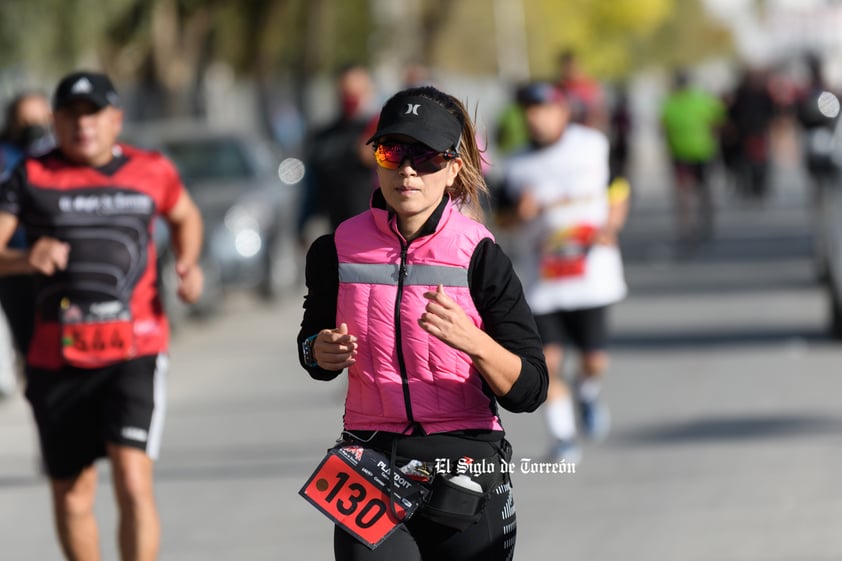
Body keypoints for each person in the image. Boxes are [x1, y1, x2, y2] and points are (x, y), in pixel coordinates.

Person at [297, 85, 548, 560]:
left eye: (427, 156)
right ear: (377, 160)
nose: (408, 169)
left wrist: (475, 342)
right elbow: (312, 350)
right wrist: (318, 350)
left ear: (453, 167)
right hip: (369, 459)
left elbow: (531, 388)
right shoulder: (335, 250)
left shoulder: (481, 256)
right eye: (393, 152)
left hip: (464, 459)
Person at [0, 70, 204, 561]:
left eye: (92, 114)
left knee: (133, 480)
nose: (81, 125)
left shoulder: (151, 169)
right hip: (57, 356)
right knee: (73, 493)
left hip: (136, 348)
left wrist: (188, 262)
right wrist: (27, 259)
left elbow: (186, 215)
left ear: (116, 119)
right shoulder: (30, 176)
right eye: (70, 116)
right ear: (55, 121)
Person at [501, 82, 628, 463]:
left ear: (562, 111)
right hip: (543, 282)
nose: (536, 119)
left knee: (594, 361)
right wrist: (517, 215)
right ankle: (563, 438)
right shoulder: (516, 165)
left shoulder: (592, 146)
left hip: (591, 277)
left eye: (544, 111)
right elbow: (502, 219)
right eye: (529, 113)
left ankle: (587, 392)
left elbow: (618, 187)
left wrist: (613, 225)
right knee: (547, 363)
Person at [0, 90, 55, 398]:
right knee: (34, 356)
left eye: (38, 119)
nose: (32, 126)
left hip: (56, 269)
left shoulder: (57, 152)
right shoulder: (5, 156)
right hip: (14, 270)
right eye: (24, 121)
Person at [299, 63, 380, 242]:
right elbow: (312, 186)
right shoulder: (323, 137)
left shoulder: (381, 132)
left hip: (375, 235)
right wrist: (304, 222)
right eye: (346, 93)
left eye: (357, 93)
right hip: (335, 232)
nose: (351, 99)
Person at [660, 69, 726, 248]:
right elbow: (719, 119)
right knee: (704, 189)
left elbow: (663, 127)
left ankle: (688, 228)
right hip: (703, 151)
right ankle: (706, 221)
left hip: (680, 153)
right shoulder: (702, 100)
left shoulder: (670, 103)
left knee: (685, 193)